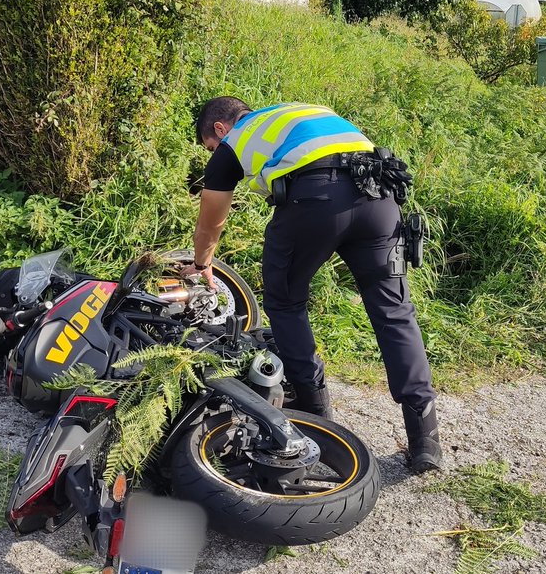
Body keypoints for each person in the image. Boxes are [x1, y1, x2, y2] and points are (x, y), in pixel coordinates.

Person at [183, 97, 442, 473]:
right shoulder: (303, 111)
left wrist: (203, 262)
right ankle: (425, 440)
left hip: (316, 197)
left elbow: (212, 215)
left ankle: (316, 416)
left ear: (219, 129)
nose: (214, 151)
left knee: (285, 302)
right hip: (380, 196)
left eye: (210, 145)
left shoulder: (233, 141)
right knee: (394, 311)